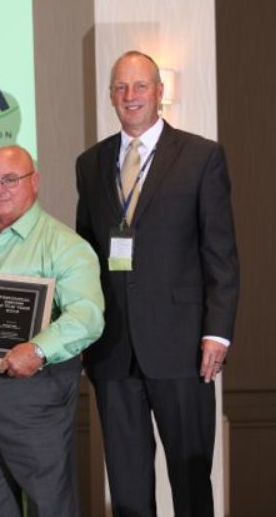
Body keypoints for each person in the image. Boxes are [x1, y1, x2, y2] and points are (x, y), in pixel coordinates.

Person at [75, 50, 240, 517]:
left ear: (159, 92)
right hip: (112, 349)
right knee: (127, 490)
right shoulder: (90, 163)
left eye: (140, 86)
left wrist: (218, 331)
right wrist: (83, 328)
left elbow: (221, 252)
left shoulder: (201, 156)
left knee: (190, 484)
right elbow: (85, 257)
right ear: (110, 95)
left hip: (183, 347)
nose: (130, 97)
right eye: (120, 88)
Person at [0, 145, 105, 517]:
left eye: (10, 179)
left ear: (34, 182)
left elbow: (88, 316)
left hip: (32, 396)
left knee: (49, 504)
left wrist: (37, 349)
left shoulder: (65, 246)